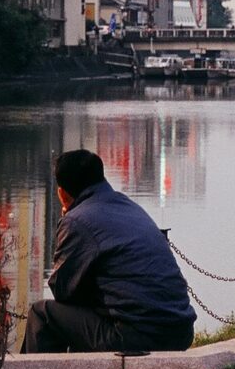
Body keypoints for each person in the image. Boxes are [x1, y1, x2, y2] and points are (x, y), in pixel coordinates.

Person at [22, 149, 197, 353]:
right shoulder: (128, 206)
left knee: (41, 314)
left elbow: (62, 290)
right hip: (181, 331)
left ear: (61, 193)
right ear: (101, 177)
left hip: (137, 337)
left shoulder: (76, 220)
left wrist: (67, 218)